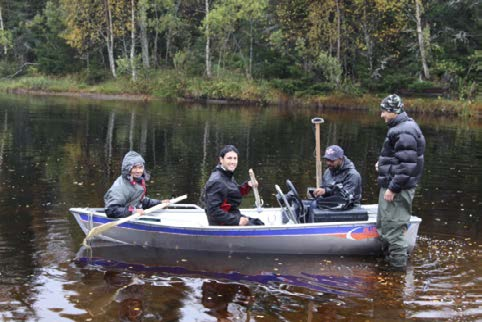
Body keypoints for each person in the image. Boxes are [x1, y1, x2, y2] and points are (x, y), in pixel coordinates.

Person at [375, 94, 425, 271]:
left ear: (394, 112)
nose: (382, 115)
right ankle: (387, 268)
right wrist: (382, 164)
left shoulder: (404, 130)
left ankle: (396, 276)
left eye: (384, 112)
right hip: (392, 185)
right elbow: (399, 157)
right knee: (385, 227)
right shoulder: (401, 127)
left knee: (394, 231)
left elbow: (407, 165)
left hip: (397, 189)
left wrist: (393, 188)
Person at [203, 145, 263, 226]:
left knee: (258, 222)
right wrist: (236, 221)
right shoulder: (216, 181)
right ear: (221, 159)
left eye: (235, 158)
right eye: (229, 158)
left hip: (231, 215)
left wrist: (248, 185)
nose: (233, 162)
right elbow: (213, 211)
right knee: (256, 227)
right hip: (222, 223)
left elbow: (233, 193)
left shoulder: (226, 174)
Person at [104, 151, 168, 218]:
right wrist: (133, 211)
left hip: (132, 215)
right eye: (134, 167)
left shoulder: (137, 181)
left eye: (140, 167)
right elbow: (111, 210)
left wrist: (159, 203)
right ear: (128, 169)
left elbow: (141, 201)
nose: (138, 171)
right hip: (124, 217)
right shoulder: (120, 187)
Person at [312, 145, 362, 209]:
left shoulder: (353, 175)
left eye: (332, 160)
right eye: (327, 160)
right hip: (330, 203)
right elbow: (324, 189)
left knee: (314, 206)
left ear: (340, 159)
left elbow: (344, 197)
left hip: (349, 207)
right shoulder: (328, 171)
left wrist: (326, 191)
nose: (328, 163)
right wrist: (318, 192)